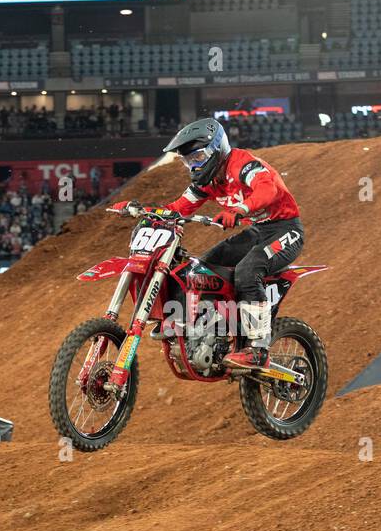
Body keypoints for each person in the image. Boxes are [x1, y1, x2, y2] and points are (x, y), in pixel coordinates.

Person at [118, 117, 304, 369]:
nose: (193, 166)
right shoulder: (206, 182)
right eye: (188, 161)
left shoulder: (243, 165)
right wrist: (143, 211)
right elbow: (176, 209)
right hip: (257, 231)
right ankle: (197, 324)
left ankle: (258, 349)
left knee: (248, 271)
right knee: (199, 269)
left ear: (217, 149)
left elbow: (267, 190)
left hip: (285, 229)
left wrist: (240, 208)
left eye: (197, 158)